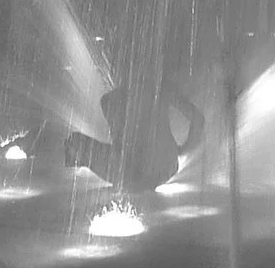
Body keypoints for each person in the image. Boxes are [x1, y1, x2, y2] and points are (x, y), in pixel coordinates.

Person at [64, 81, 204, 191]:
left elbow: (119, 142)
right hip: (164, 167)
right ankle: (136, 183)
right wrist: (183, 149)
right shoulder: (160, 89)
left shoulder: (109, 101)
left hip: (133, 171)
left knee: (76, 141)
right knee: (78, 141)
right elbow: (198, 118)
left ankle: (83, 163)